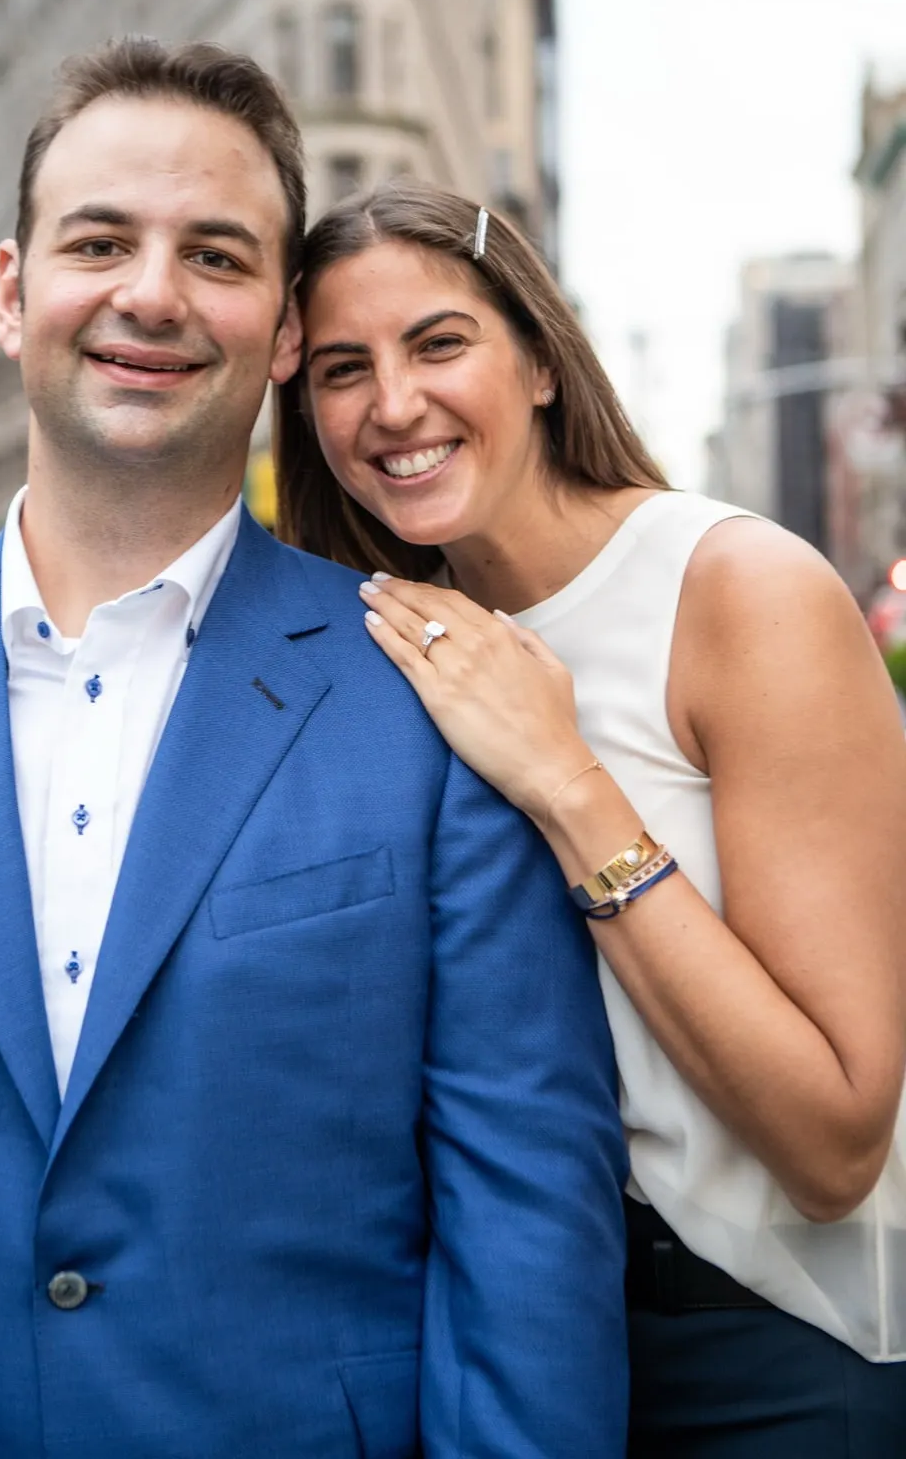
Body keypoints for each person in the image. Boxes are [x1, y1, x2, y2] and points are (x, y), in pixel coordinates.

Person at [0, 42, 628, 1459]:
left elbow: (527, 1231)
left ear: (282, 332)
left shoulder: (435, 698)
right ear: (12, 294)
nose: (151, 293)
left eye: (215, 254)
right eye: (99, 244)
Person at [276, 178, 906, 1458]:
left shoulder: (740, 593)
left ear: (542, 363)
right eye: (343, 369)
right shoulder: (386, 639)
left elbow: (836, 1138)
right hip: (509, 1341)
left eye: (439, 343)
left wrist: (568, 783)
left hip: (771, 1344)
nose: (393, 403)